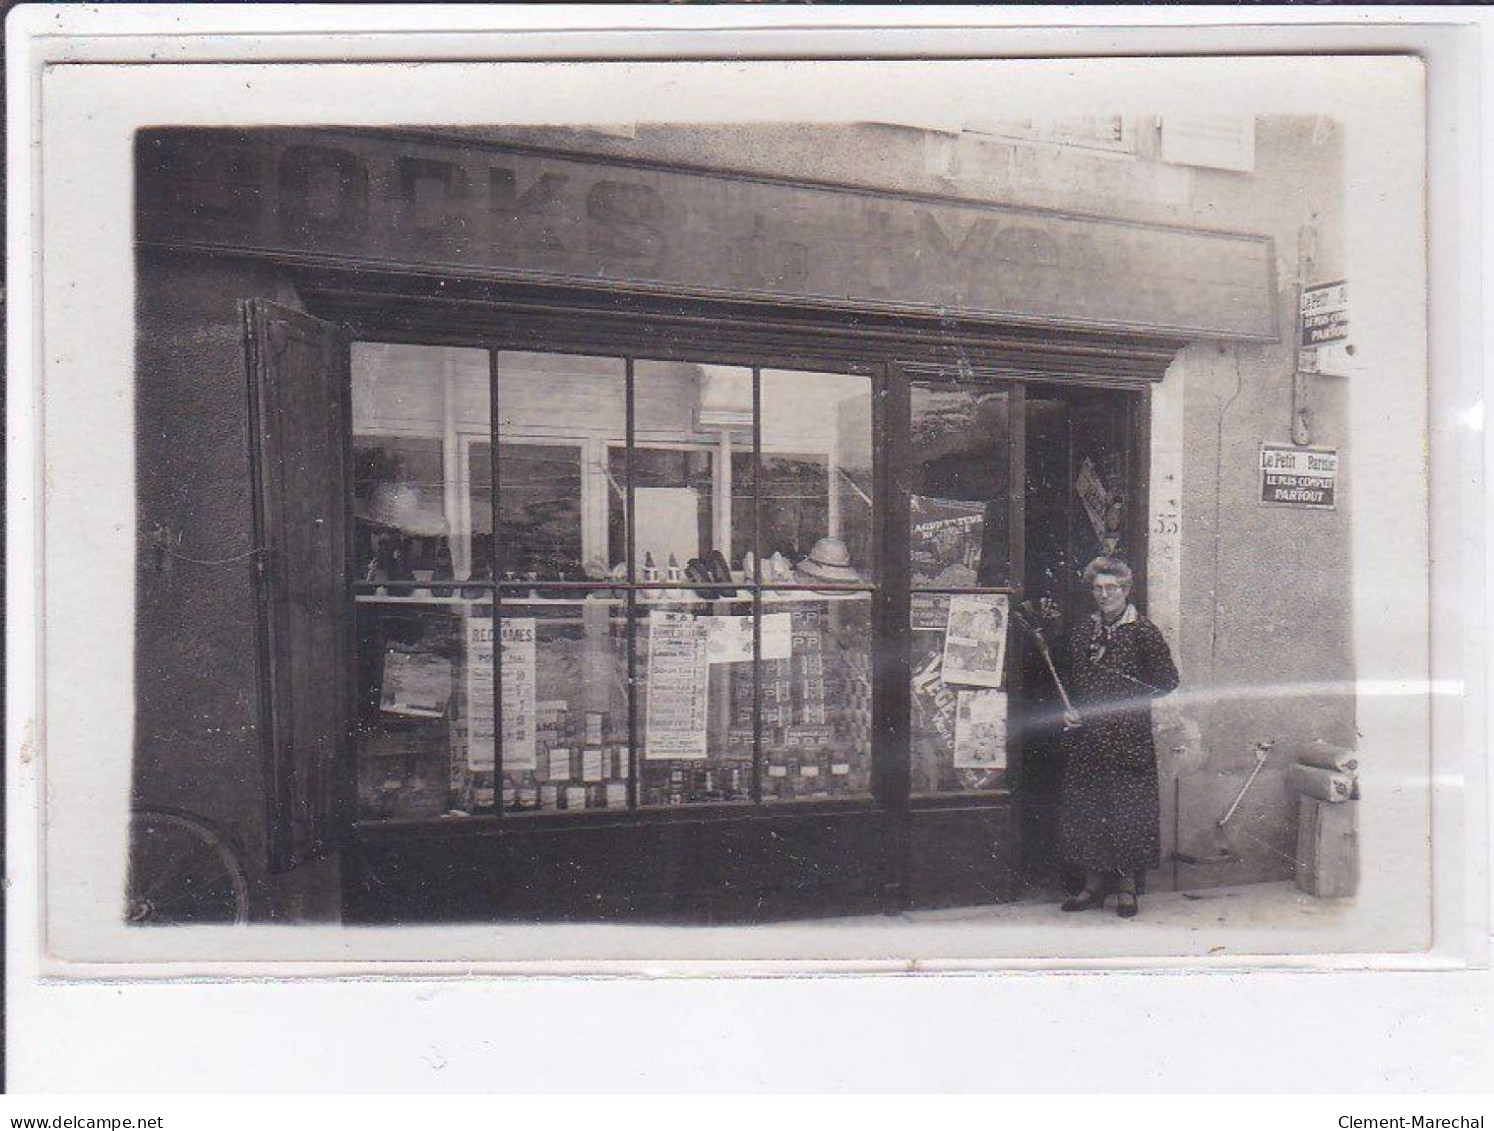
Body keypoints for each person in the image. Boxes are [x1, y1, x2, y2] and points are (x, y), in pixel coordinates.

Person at [1055, 556, 1179, 919]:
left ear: (1126, 590)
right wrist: (1072, 709)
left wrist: (1129, 698)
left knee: (1127, 814)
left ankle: (1127, 890)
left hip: (1128, 739)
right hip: (1088, 739)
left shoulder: (1142, 631)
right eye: (1098, 588)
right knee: (1089, 812)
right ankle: (1092, 888)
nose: (1105, 594)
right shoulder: (1083, 631)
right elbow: (1073, 681)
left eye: (1112, 588)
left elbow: (1167, 681)